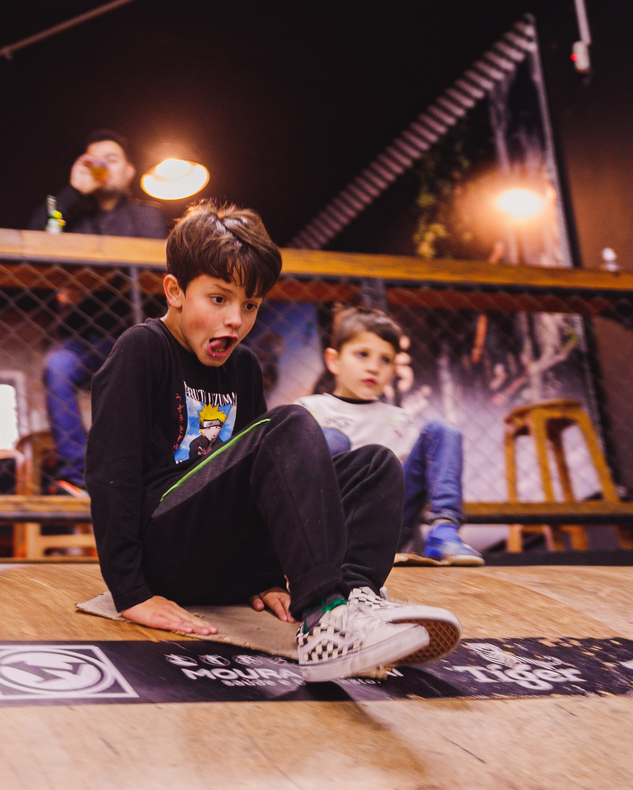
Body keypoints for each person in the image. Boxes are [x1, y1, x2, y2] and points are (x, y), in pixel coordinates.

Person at [86, 202, 462, 682]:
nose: (235, 320)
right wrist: (131, 592)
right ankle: (325, 618)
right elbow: (110, 475)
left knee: (376, 464)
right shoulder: (142, 350)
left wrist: (264, 576)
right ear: (175, 291)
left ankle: (354, 599)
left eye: (250, 305)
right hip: (164, 549)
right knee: (289, 425)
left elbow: (261, 483)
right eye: (218, 299)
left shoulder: (243, 366)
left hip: (219, 559)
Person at [27, 130, 168, 497]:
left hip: (133, 332)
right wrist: (72, 192)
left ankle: (143, 472)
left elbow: (151, 264)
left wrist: (86, 280)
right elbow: (39, 235)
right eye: (95, 160)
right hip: (80, 335)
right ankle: (79, 474)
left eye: (112, 159)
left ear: (129, 171)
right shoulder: (70, 217)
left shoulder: (146, 214)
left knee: (139, 390)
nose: (103, 165)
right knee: (57, 367)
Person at [295, 307, 485, 565]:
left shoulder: (400, 420)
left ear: (395, 369)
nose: (373, 367)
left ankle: (444, 531)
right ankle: (323, 551)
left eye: (385, 360)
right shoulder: (309, 408)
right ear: (334, 360)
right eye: (362, 354)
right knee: (330, 439)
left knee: (443, 431)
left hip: (387, 528)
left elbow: (412, 482)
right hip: (328, 527)